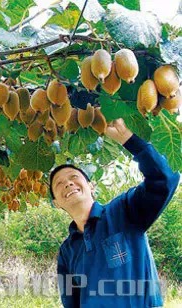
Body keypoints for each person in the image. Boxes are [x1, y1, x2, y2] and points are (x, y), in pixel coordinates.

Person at [50, 118, 180, 307]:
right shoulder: (67, 251)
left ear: (91, 186)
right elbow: (71, 302)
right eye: (59, 183)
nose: (68, 183)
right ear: (57, 203)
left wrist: (129, 139)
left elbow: (165, 177)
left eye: (74, 177)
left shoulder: (123, 210)